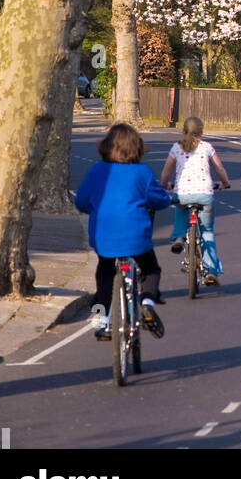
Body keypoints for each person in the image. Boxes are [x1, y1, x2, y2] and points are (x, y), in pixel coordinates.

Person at [74, 123, 170, 340]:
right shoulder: (142, 172)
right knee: (151, 269)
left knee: (104, 273)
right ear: (137, 147)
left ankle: (101, 319)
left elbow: (81, 201)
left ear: (106, 146)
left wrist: (94, 207)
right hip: (136, 237)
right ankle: (146, 302)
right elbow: (160, 200)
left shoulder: (98, 170)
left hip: (104, 236)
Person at [160, 117, 230, 286]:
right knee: (206, 232)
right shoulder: (207, 147)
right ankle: (211, 271)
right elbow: (219, 168)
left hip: (182, 193)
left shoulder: (176, 147)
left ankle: (178, 238)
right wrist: (225, 183)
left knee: (180, 212)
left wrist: (165, 185)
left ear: (183, 131)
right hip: (205, 194)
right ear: (202, 133)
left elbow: (166, 171)